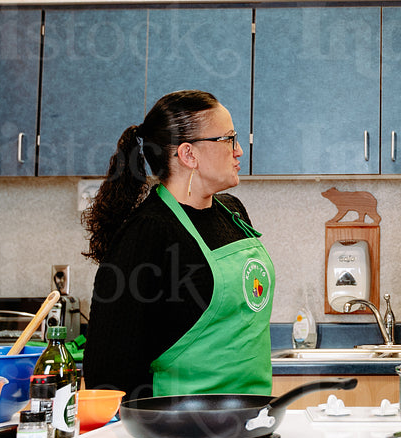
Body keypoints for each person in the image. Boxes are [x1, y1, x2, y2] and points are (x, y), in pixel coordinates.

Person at [82, 90, 274, 401]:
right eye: (228, 140)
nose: (239, 150)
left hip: (250, 417)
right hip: (178, 432)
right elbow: (107, 367)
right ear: (188, 155)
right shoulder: (147, 233)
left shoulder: (233, 212)